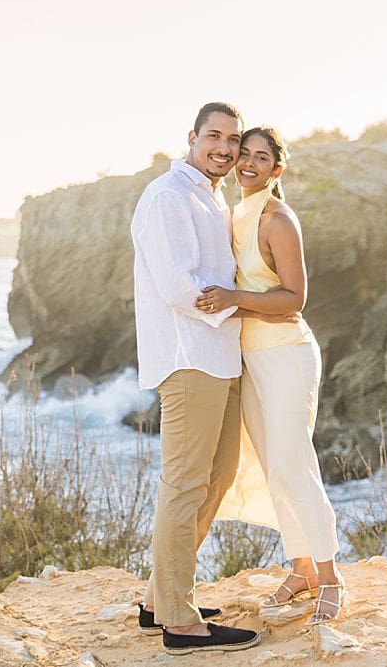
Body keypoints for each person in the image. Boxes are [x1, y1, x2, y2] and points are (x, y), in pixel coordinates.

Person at [131, 102, 289, 655]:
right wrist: (249, 309)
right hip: (188, 359)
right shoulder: (167, 197)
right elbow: (179, 286)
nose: (224, 147)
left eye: (232, 139)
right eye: (214, 136)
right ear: (192, 137)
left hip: (220, 359)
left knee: (217, 477)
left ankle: (159, 597)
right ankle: (180, 622)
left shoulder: (209, 195)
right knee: (183, 484)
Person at [197, 126, 346, 626]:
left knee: (293, 462)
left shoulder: (278, 219)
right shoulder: (234, 213)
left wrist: (234, 298)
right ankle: (301, 568)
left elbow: (294, 299)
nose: (248, 163)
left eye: (262, 158)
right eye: (244, 154)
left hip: (286, 354)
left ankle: (330, 576)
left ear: (276, 170)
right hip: (249, 358)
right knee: (271, 466)